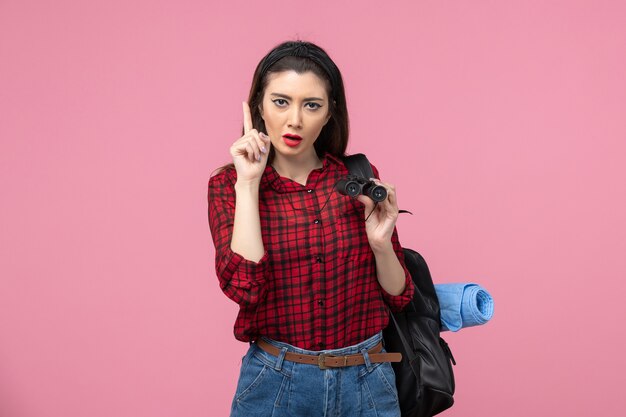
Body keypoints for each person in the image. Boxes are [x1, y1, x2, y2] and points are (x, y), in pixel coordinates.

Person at [207, 40, 414, 417]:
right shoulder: (229, 187)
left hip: (367, 379)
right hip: (275, 382)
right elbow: (245, 289)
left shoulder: (358, 179)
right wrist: (249, 183)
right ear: (258, 105)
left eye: (312, 105)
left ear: (330, 113)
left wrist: (381, 244)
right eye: (281, 101)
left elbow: (399, 297)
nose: (295, 120)